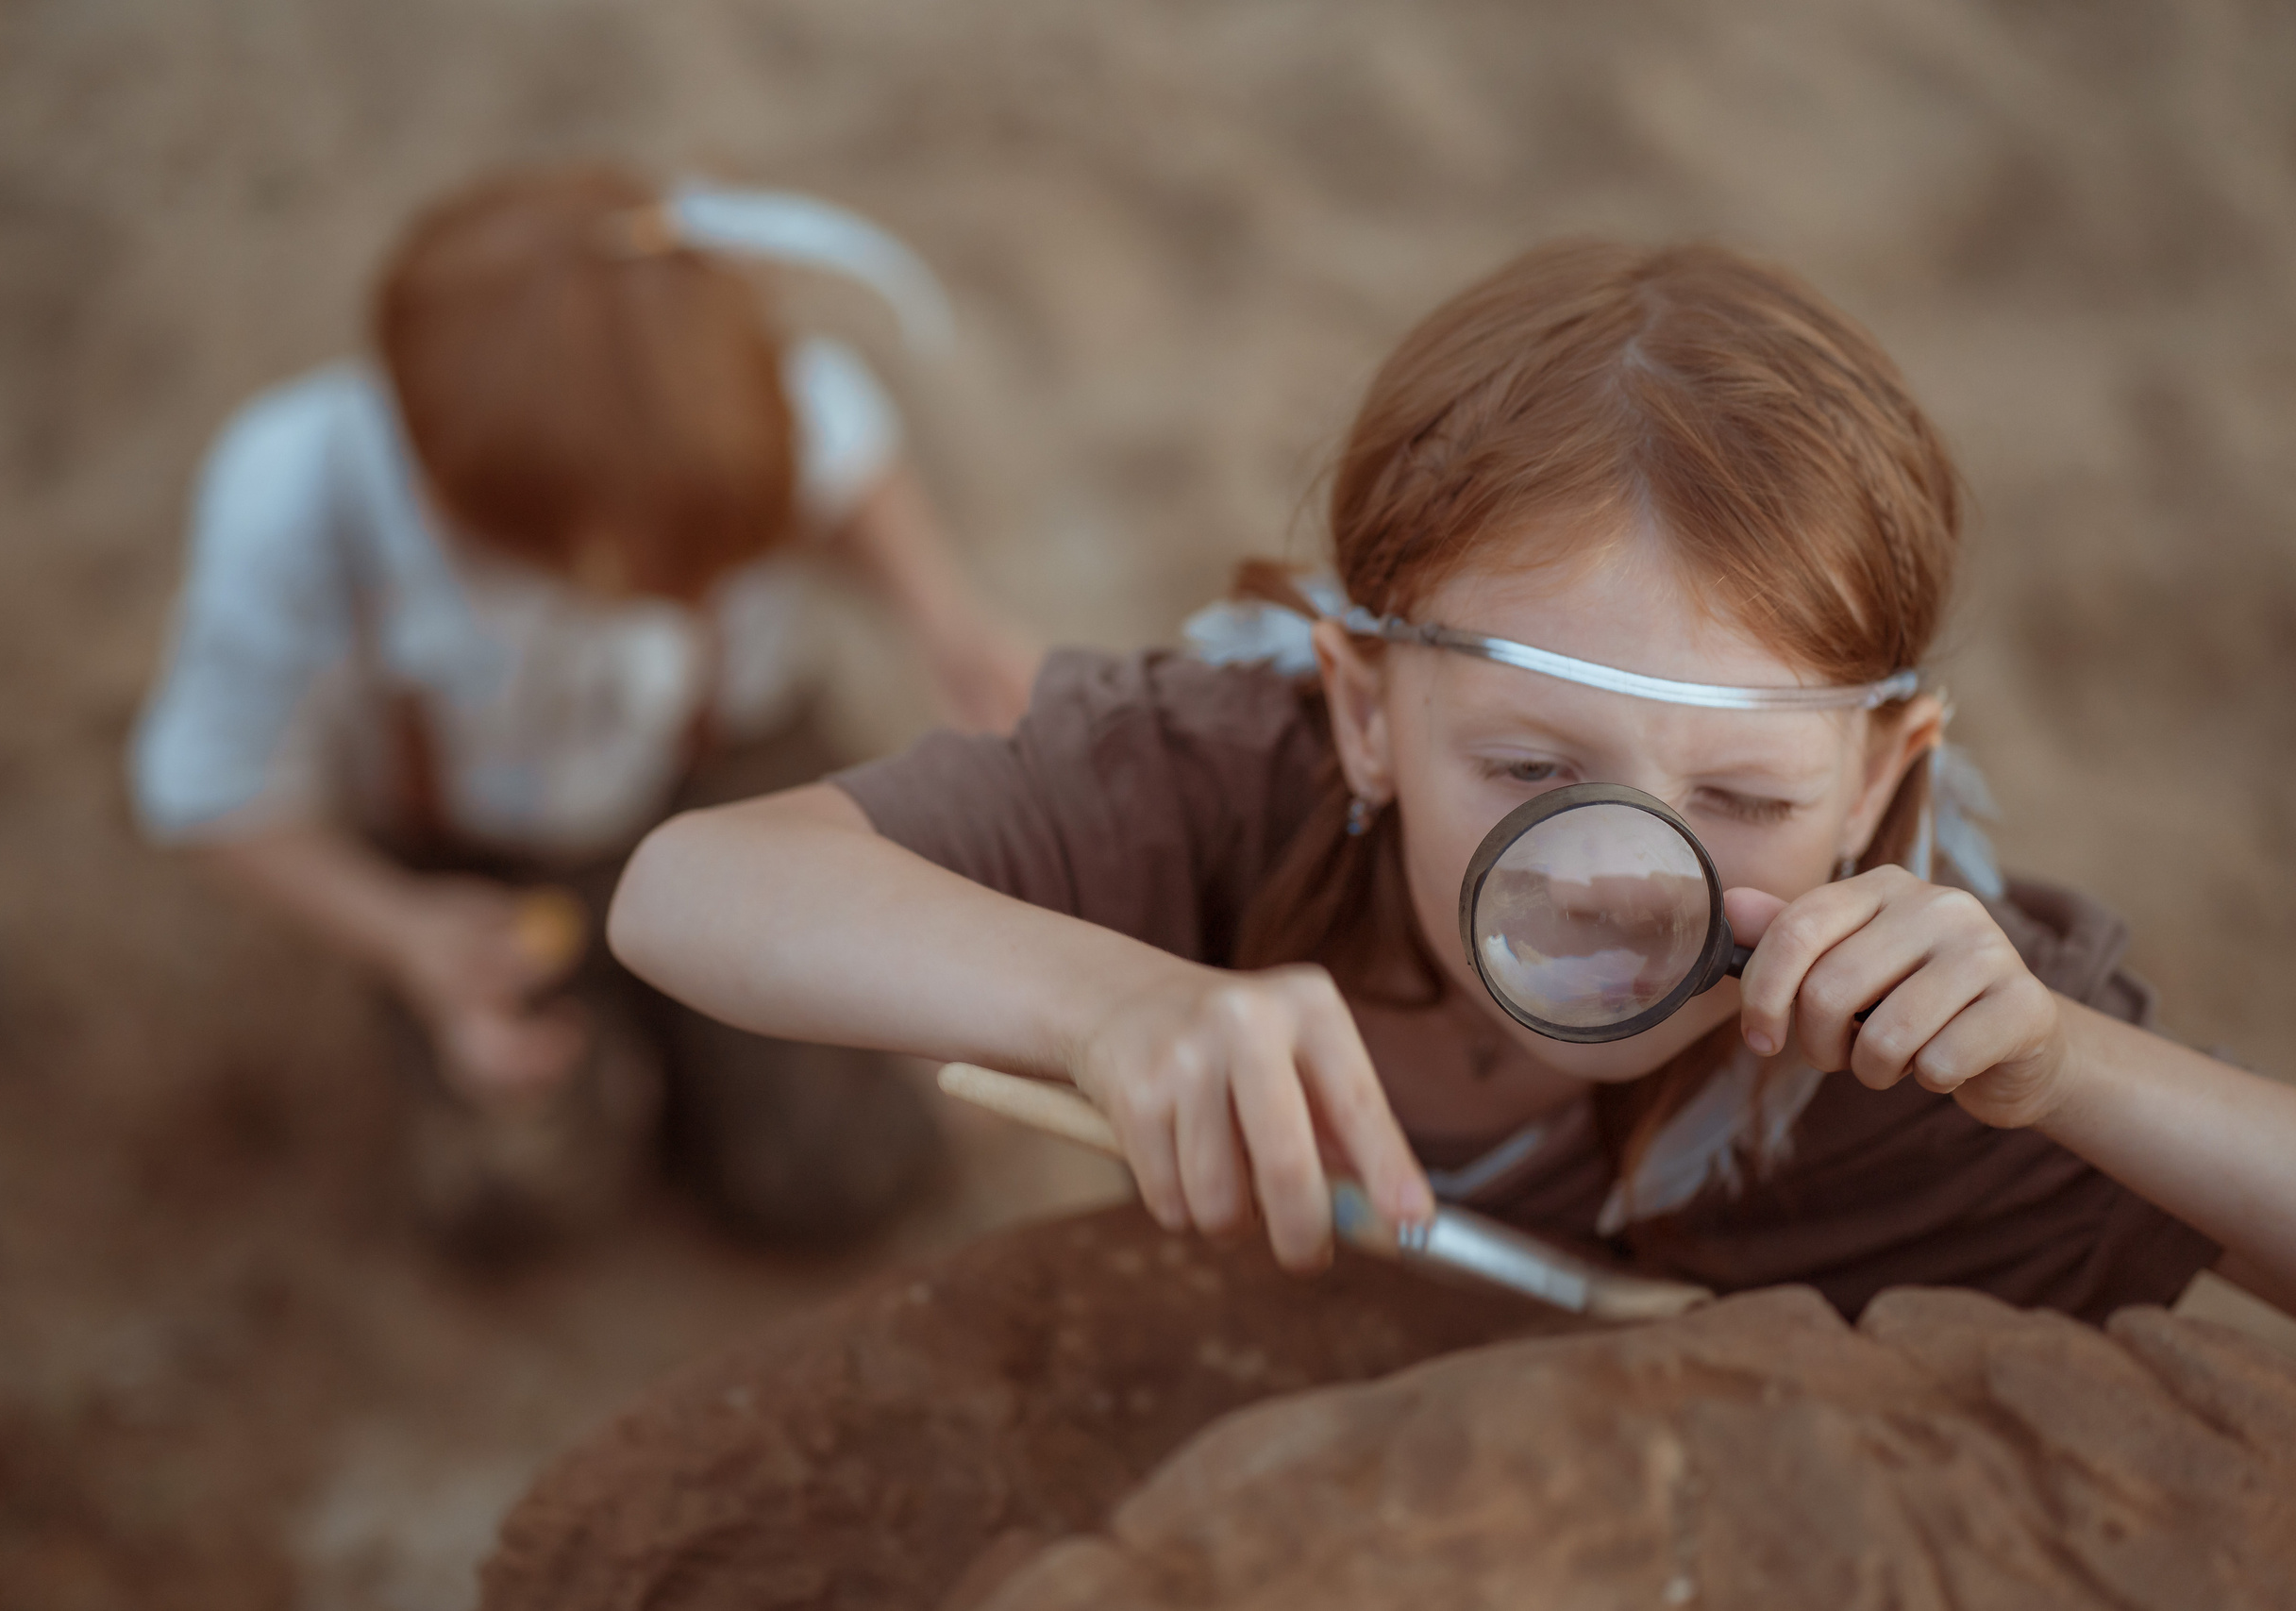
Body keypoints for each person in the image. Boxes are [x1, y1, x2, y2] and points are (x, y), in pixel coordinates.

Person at [608, 240, 2296, 1321]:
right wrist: (1106, 1002)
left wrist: (2069, 1069)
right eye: (1530, 765)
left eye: (1745, 799)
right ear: (1361, 709)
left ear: (1876, 781)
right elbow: (689, 885)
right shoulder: (1219, 772)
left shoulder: (1934, 1028)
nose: (1621, 876)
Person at [131, 163, 1037, 1249]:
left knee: (839, 1170)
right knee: (515, 1190)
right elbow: (214, 799)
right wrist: (407, 936)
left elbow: (847, 466)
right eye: (652, 580)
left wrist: (944, 619)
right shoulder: (298, 509)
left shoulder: (730, 397)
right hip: (478, 851)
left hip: (721, 764)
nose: (692, 595)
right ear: (452, 508)